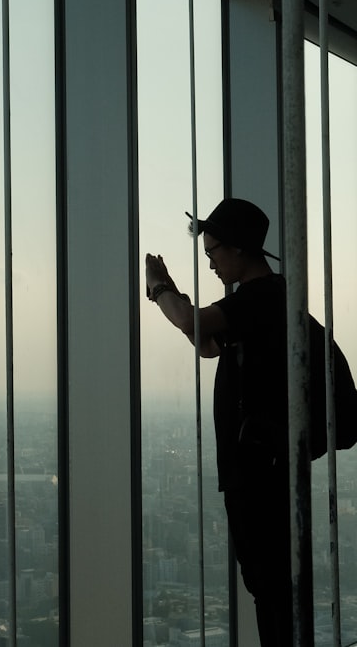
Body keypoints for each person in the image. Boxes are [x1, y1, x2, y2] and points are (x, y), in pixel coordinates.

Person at [145, 197, 292, 646]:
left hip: (259, 470)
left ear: (239, 249)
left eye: (213, 252)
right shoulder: (256, 303)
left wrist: (158, 289)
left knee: (268, 585)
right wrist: (180, 306)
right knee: (264, 585)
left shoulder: (262, 296)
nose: (209, 262)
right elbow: (208, 343)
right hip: (255, 466)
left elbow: (192, 322)